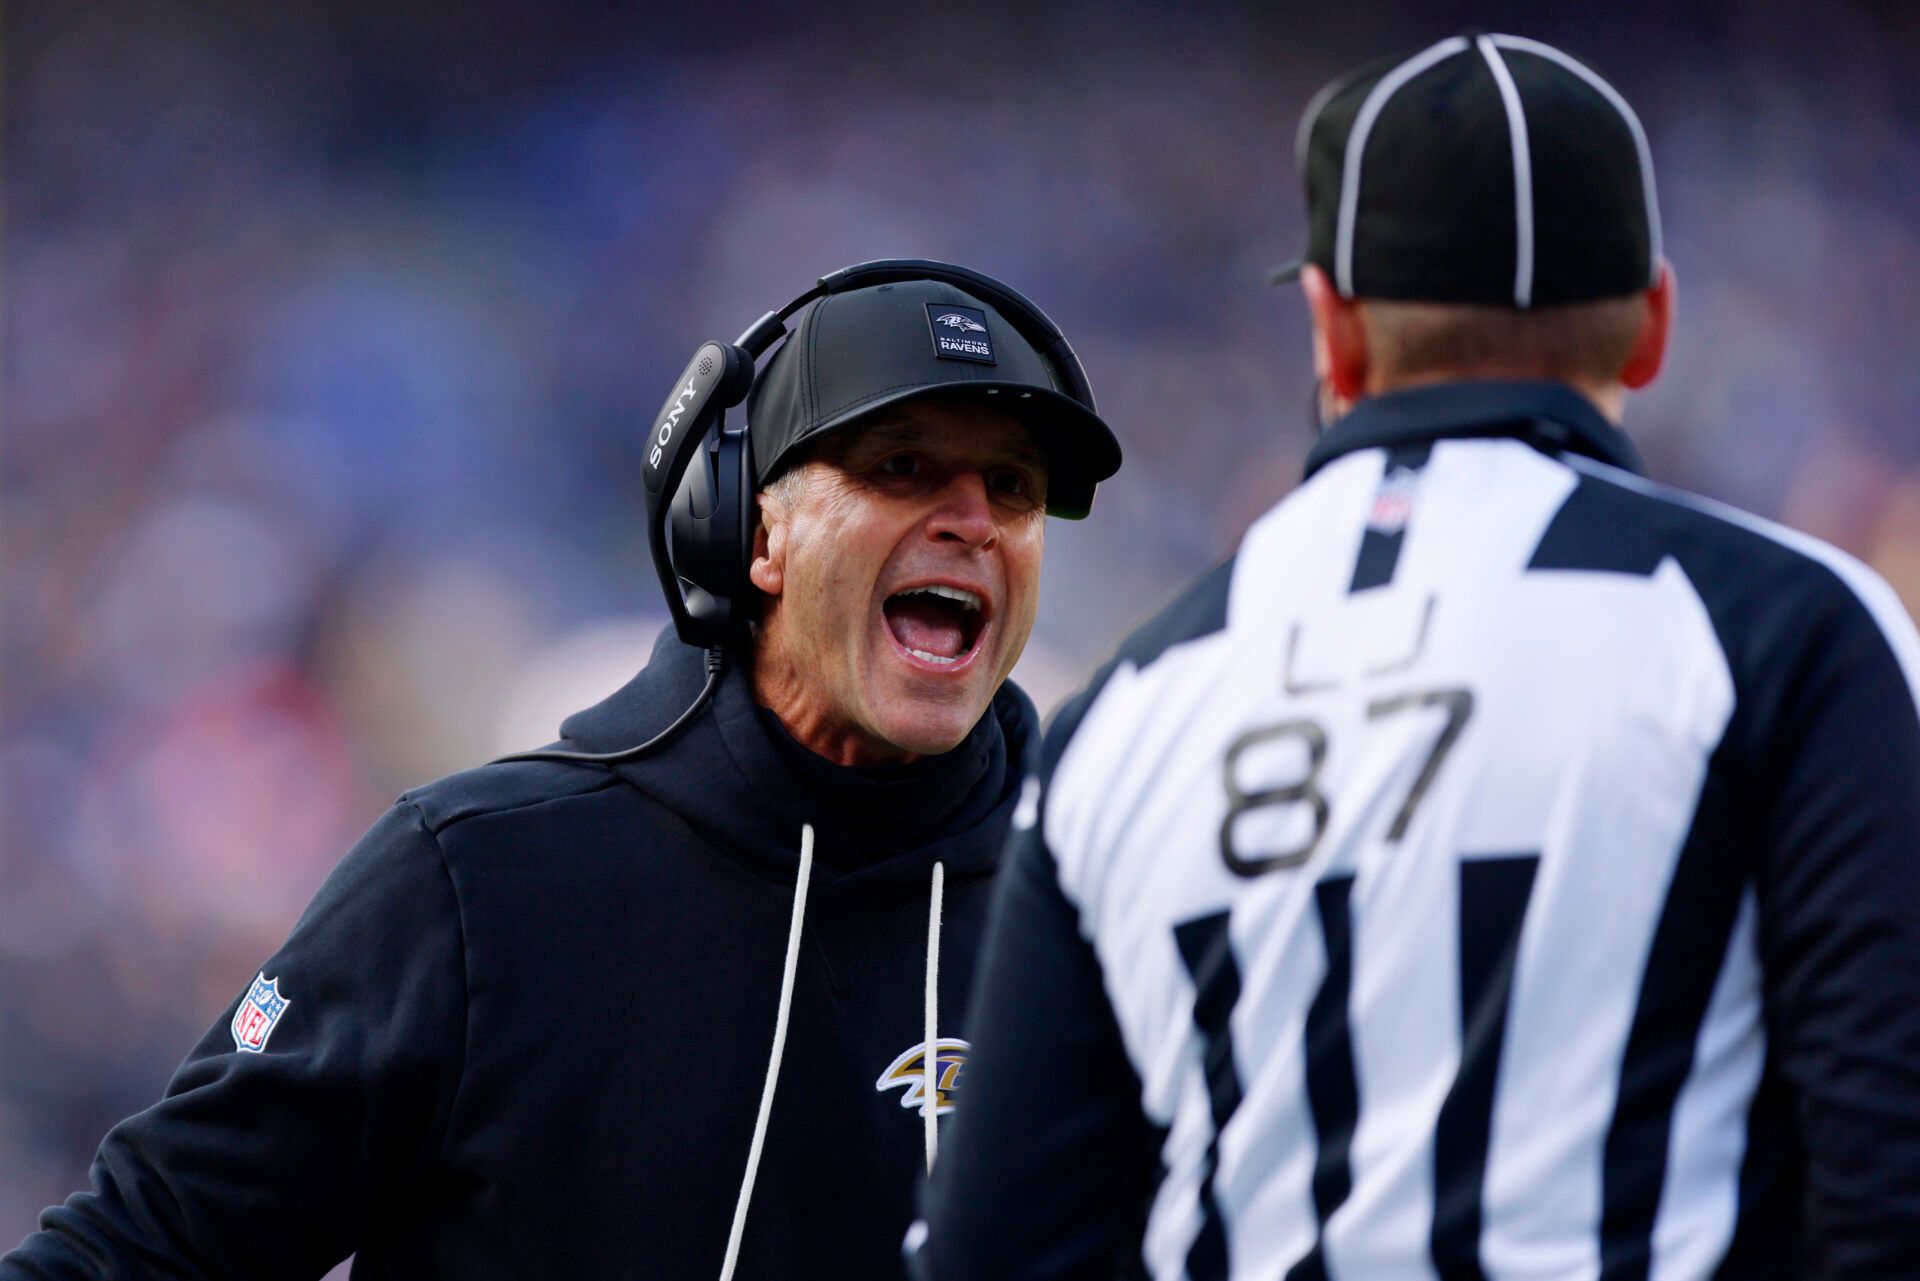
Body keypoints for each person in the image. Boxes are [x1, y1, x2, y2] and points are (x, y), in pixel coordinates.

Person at [912, 35, 1920, 1280]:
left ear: (1332, 333)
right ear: (1651, 325)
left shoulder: (1130, 709)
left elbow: (997, 1252)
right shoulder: (1789, 630)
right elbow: (1890, 1178)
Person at [2, 264, 1122, 1279]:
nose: (972, 523)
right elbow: (145, 1249)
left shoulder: (1105, 902)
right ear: (750, 530)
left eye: (1015, 488)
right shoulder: (480, 877)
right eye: (903, 467)